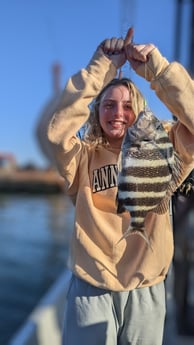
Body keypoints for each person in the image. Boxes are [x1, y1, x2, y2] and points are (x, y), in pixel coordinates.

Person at [47, 27, 194, 345]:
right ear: (96, 111)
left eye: (128, 106)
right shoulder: (82, 157)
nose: (118, 113)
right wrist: (101, 66)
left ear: (141, 110)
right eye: (108, 105)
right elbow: (57, 134)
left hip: (147, 288)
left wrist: (158, 68)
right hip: (92, 287)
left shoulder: (164, 144)